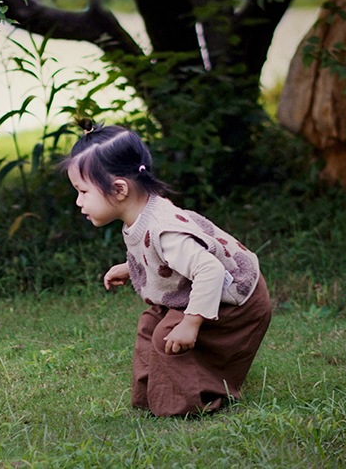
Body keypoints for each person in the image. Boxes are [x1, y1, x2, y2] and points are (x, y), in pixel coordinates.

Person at [62, 120, 272, 417]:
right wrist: (130, 267)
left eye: (83, 192)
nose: (78, 201)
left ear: (119, 189)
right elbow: (164, 259)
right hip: (203, 285)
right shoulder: (141, 215)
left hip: (235, 298)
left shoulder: (165, 229)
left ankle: (189, 405)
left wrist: (192, 322)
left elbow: (209, 270)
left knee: (168, 336)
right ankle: (154, 396)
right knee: (150, 326)